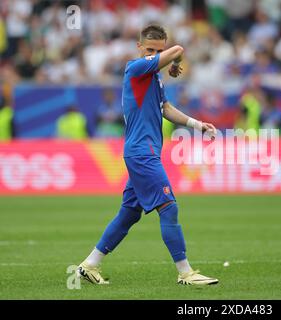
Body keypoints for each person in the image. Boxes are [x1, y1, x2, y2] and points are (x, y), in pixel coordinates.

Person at [76, 25, 219, 286]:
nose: (153, 54)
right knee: (168, 206)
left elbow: (165, 108)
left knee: (129, 214)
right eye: (150, 50)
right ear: (140, 48)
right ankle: (186, 272)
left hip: (142, 152)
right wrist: (174, 59)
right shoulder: (136, 67)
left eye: (158, 51)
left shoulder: (154, 78)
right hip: (142, 154)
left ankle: (89, 264)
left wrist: (198, 125)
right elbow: (179, 49)